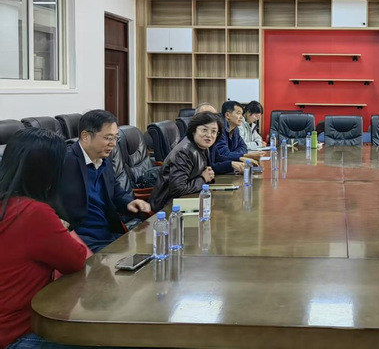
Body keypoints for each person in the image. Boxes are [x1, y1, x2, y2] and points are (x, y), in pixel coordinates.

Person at [0, 128, 87, 349]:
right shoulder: (33, 213)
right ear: (48, 172)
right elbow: (77, 260)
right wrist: (62, 226)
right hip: (18, 334)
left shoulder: (10, 206)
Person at [57, 110, 151, 252]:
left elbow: (115, 192)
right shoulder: (65, 161)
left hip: (109, 235)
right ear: (86, 136)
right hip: (82, 240)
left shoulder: (104, 161)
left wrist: (129, 202)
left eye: (116, 138)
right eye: (108, 138)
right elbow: (42, 197)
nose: (113, 144)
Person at [150, 112, 223, 211]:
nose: (209, 135)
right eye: (204, 130)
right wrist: (203, 179)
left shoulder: (203, 147)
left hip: (188, 199)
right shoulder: (184, 152)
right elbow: (178, 189)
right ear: (193, 130)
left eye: (214, 131)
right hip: (169, 206)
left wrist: (208, 175)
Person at [214, 101, 264, 168]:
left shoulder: (235, 129)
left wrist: (232, 155)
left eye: (241, 114)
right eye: (238, 113)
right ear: (227, 115)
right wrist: (241, 156)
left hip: (231, 165)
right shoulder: (219, 129)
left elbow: (243, 147)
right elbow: (224, 154)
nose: (241, 117)